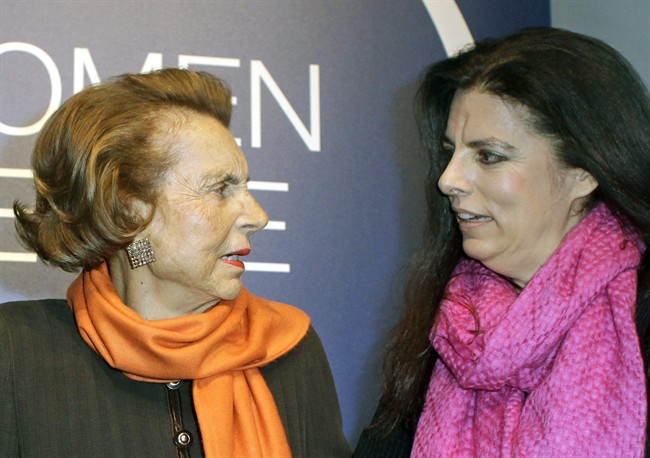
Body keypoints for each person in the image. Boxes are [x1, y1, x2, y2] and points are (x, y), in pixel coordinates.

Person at [0, 68, 350, 458]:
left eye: (246, 188)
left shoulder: (288, 348)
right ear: (130, 209)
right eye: (221, 188)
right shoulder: (16, 351)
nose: (257, 215)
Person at [354, 27, 650, 457]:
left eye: (489, 156)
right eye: (450, 152)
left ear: (584, 171)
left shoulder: (639, 322)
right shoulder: (451, 328)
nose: (448, 179)